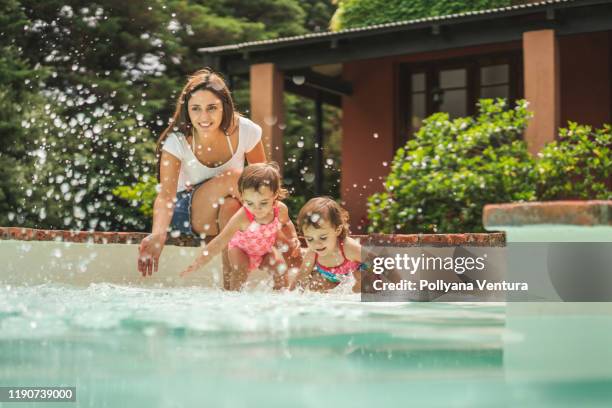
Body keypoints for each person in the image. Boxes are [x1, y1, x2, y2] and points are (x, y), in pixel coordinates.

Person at [137, 68, 266, 288]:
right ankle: (269, 228)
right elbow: (166, 197)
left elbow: (266, 183)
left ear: (225, 107)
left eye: (212, 108)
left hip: (226, 215)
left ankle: (232, 289)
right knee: (238, 178)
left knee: (231, 206)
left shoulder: (246, 131)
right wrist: (158, 235)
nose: (203, 117)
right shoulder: (176, 142)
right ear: (187, 110)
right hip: (185, 213)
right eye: (196, 109)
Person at [180, 163, 301, 290]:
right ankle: (234, 300)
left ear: (275, 194)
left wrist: (293, 237)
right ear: (242, 196)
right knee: (240, 271)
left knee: (280, 270)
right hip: (240, 250)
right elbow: (221, 241)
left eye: (263, 203)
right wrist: (199, 261)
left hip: (265, 251)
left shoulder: (280, 210)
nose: (257, 209)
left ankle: (280, 299)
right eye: (250, 203)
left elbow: (286, 223)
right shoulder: (242, 216)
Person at [290, 197, 366, 293]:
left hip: (354, 275)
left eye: (323, 237)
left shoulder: (348, 247)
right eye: (310, 239)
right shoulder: (312, 253)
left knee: (360, 279)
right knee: (315, 284)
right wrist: (290, 298)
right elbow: (301, 276)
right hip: (331, 278)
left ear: (337, 230)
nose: (316, 244)